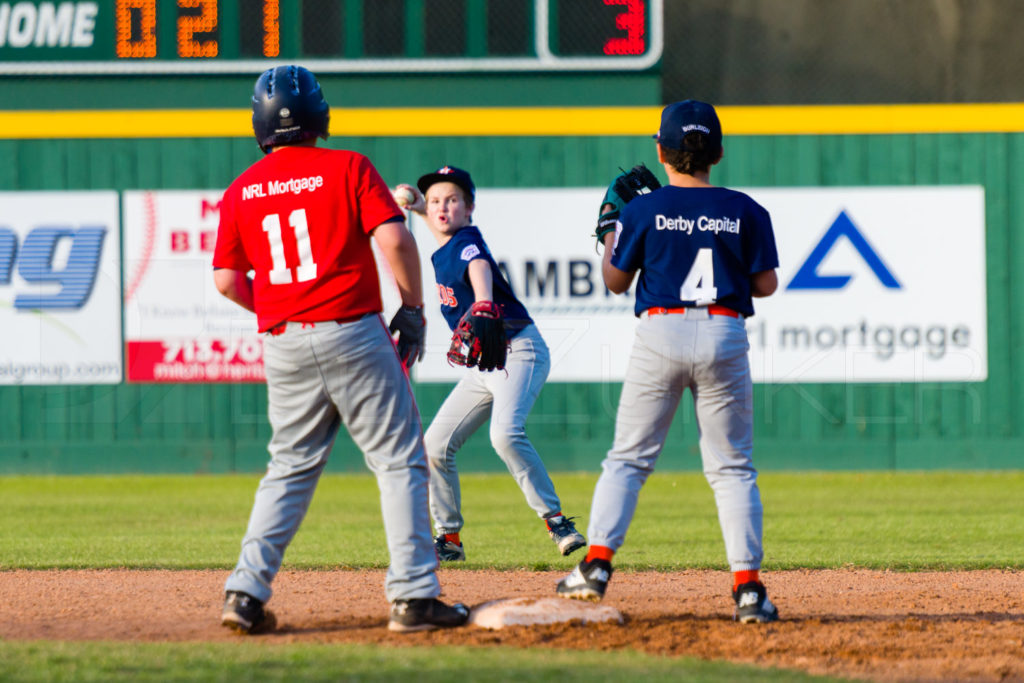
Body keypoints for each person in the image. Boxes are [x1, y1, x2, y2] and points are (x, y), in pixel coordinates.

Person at [212, 65, 469, 634]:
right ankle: (413, 598)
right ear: (319, 117)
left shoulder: (241, 190)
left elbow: (228, 280)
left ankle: (245, 593)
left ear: (259, 121)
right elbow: (397, 238)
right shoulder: (347, 165)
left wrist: (281, 306)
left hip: (284, 342)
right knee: (400, 461)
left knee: (288, 468)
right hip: (353, 331)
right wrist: (414, 309)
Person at [555, 100, 781, 624]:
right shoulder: (745, 208)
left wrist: (610, 227)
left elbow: (615, 281)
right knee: (731, 468)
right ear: (718, 154)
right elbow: (765, 285)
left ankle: (595, 568)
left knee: (629, 459)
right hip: (724, 331)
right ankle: (748, 591)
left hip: (660, 330)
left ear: (660, 151)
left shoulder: (642, 211)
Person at [395, 166, 585, 562]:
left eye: (452, 200)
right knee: (434, 446)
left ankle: (557, 521)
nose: (442, 208)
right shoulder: (445, 244)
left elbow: (476, 263)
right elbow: (442, 232)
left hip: (519, 350)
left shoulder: (467, 240)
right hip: (484, 366)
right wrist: (418, 207)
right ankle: (449, 539)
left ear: (470, 208)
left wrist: (483, 300)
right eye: (435, 201)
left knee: (504, 434)